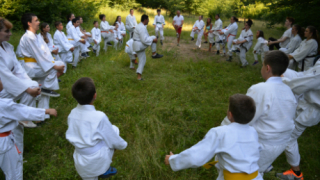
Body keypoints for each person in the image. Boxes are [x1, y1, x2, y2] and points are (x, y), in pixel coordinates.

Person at [221, 51, 297, 175]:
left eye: (262, 65)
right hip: (281, 142)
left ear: (267, 68)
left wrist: (221, 130)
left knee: (240, 172)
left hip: (264, 143)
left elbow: (243, 117)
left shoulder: (261, 89)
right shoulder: (288, 91)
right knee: (257, 170)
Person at [165, 94, 262, 180]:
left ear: (230, 114)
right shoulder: (253, 132)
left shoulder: (221, 132)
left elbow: (195, 156)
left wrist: (173, 160)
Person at [66, 77, 127, 180]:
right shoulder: (99, 117)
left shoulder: (72, 114)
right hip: (96, 158)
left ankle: (100, 169)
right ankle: (104, 168)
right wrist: (123, 145)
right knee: (114, 129)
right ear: (95, 95)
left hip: (80, 159)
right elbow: (113, 138)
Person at [0, 80, 57, 180]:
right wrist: (46, 111)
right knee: (14, 172)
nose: (2, 81)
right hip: (4, 143)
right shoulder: (3, 105)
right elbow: (22, 111)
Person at [275, 58, 320, 180]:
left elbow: (302, 84)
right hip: (307, 106)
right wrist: (286, 72)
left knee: (289, 139)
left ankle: (297, 174)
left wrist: (282, 79)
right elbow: (308, 76)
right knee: (285, 132)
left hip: (308, 110)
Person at [20, 13, 65, 121]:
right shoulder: (28, 37)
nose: (39, 22)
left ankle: (42, 117)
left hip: (38, 65)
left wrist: (53, 63)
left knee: (45, 92)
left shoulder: (37, 36)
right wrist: (54, 66)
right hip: (31, 67)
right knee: (55, 69)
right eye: (36, 20)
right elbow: (39, 55)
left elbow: (46, 53)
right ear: (29, 23)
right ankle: (46, 88)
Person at [0, 17, 41, 130]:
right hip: (2, 87)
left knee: (33, 85)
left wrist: (29, 83)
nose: (10, 34)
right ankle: (22, 117)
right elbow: (6, 76)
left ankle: (22, 118)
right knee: (30, 89)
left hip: (10, 85)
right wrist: (28, 89)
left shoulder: (8, 46)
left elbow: (18, 69)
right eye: (6, 31)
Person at [132, 14, 163, 80]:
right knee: (153, 37)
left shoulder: (140, 26)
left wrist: (151, 40)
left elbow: (145, 38)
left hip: (137, 46)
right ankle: (154, 54)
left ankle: (139, 77)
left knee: (142, 61)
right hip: (139, 45)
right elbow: (144, 40)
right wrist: (153, 40)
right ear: (145, 20)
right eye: (148, 20)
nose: (148, 21)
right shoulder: (141, 27)